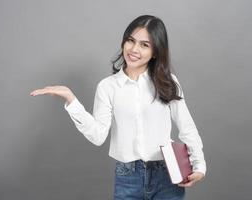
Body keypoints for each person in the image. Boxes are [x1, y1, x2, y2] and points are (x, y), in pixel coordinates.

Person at [30, 15, 206, 200]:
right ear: (124, 41)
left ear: (155, 52)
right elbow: (98, 136)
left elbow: (187, 128)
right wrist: (71, 100)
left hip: (167, 175)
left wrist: (199, 166)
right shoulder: (107, 87)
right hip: (128, 177)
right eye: (131, 41)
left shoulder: (168, 82)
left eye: (144, 45)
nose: (134, 49)